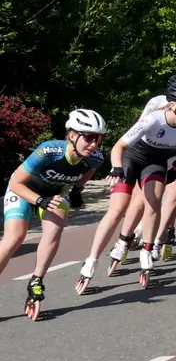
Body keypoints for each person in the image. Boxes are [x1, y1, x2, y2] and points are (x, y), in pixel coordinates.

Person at [78, 79, 176, 292]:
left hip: (156, 161)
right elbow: (119, 146)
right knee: (118, 209)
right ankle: (91, 260)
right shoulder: (153, 119)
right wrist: (116, 168)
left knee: (153, 202)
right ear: (172, 104)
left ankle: (146, 249)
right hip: (132, 157)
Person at [0, 110, 106, 319]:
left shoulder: (94, 158)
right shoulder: (48, 151)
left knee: (54, 230)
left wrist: (76, 191)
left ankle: (36, 280)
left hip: (55, 193)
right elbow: (15, 183)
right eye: (88, 137)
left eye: (98, 138)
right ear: (72, 135)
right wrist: (40, 201)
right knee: (15, 237)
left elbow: (88, 172)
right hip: (24, 189)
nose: (94, 144)